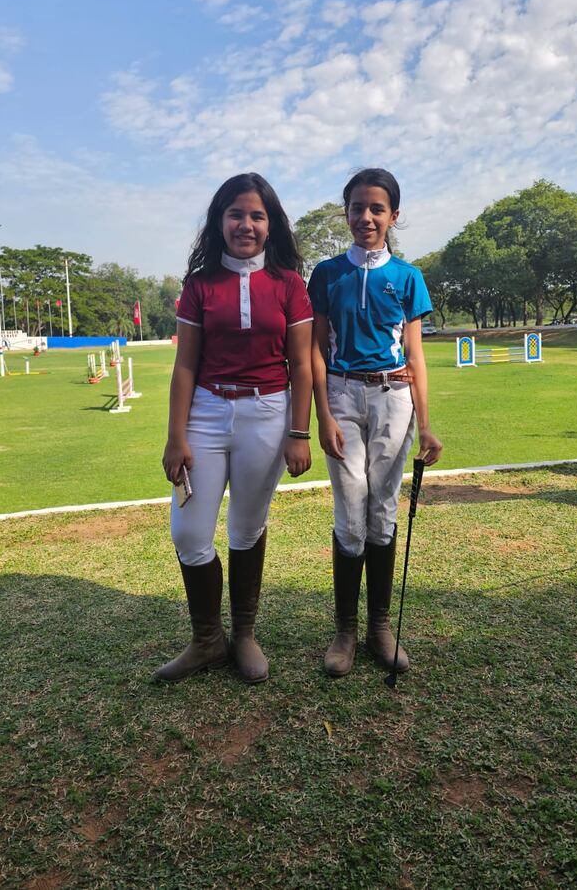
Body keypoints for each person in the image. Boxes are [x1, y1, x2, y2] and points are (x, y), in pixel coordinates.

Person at [155, 173, 313, 685]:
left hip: (267, 414)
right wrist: (176, 435)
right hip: (205, 411)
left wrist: (299, 432)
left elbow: (303, 366)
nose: (245, 224)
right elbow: (184, 366)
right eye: (235, 214)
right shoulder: (199, 284)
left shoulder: (289, 284)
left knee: (246, 528)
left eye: (257, 216)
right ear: (219, 220)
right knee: (189, 532)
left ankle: (242, 634)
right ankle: (206, 640)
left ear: (271, 224)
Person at [308, 168, 443, 678]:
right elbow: (317, 349)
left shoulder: (408, 277)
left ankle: (380, 627)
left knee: (382, 508)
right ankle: (345, 630)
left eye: (377, 209)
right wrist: (322, 413)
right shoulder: (326, 273)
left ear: (393, 215)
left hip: (394, 396)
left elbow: (415, 354)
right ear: (346, 212)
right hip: (341, 394)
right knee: (350, 509)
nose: (365, 217)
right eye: (357, 207)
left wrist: (426, 424)